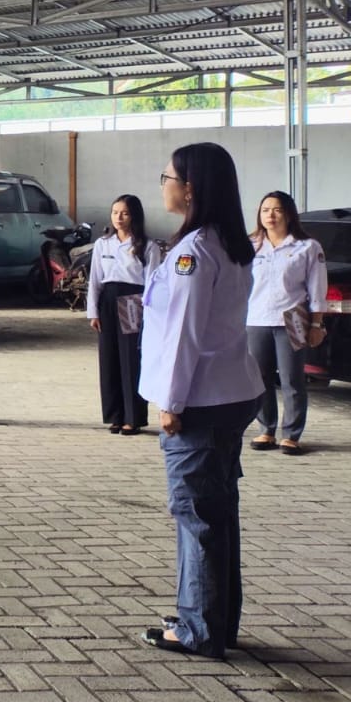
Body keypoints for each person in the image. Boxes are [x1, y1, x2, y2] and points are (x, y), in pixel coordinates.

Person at [138, 142, 264, 659]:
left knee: (198, 516)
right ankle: (216, 619)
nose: (163, 185)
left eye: (167, 177)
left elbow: (183, 333)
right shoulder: (227, 243)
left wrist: (171, 401)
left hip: (201, 400)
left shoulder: (195, 251)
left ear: (189, 188)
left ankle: (200, 630)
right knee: (218, 511)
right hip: (231, 392)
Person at [246, 191, 328, 456]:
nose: (270, 215)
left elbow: (317, 289)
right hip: (256, 319)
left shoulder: (307, 247)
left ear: (289, 214)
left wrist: (316, 324)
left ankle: (291, 434)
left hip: (292, 320)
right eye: (265, 210)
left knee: (292, 378)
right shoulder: (250, 245)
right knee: (259, 378)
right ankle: (266, 429)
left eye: (277, 209)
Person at [86, 195, 164, 436]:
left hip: (133, 302)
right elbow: (95, 280)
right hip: (108, 301)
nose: (118, 218)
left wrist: (148, 313)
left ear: (135, 216)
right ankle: (115, 416)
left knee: (131, 360)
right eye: (115, 212)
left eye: (125, 213)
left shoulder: (147, 246)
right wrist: (93, 311)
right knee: (109, 359)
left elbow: (152, 283)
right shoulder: (103, 244)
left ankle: (133, 417)